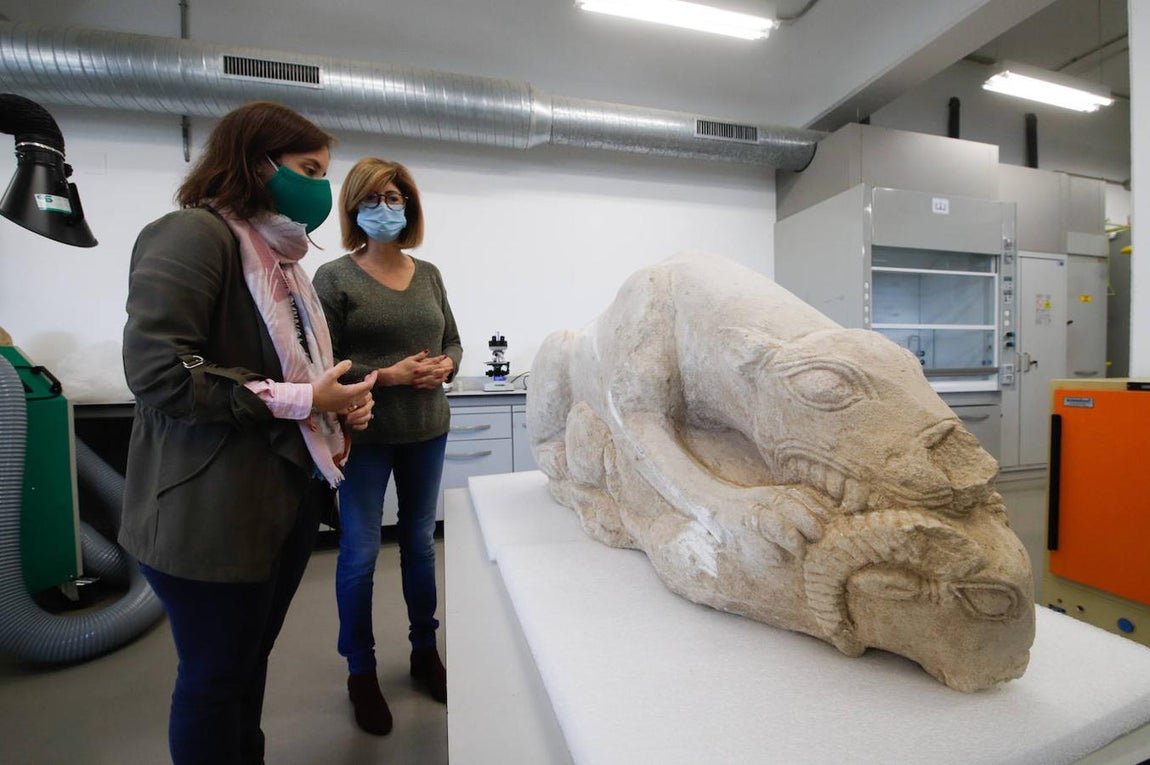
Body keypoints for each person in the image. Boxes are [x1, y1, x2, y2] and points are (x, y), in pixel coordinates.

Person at [119, 101, 378, 765]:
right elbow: (157, 372)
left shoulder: (284, 263)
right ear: (254, 163)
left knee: (244, 666)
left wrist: (335, 407)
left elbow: (295, 376)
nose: (322, 187)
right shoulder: (192, 236)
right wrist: (301, 398)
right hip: (207, 514)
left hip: (277, 506)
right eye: (309, 168)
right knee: (213, 680)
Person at [313, 157, 461, 735]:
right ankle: (361, 671)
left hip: (428, 429)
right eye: (374, 199)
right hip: (366, 434)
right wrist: (391, 376)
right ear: (354, 208)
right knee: (359, 554)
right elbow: (324, 366)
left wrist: (447, 365)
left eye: (395, 198)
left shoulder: (429, 274)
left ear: (410, 206)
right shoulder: (334, 278)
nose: (386, 208)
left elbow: (451, 338)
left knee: (421, 546)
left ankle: (425, 653)